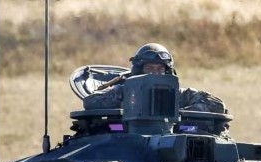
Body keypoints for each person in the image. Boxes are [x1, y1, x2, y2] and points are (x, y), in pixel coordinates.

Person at [83, 43, 229, 114]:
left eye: (160, 69)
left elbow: (217, 105)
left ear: (168, 72)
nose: (155, 74)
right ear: (139, 71)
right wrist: (123, 101)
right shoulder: (124, 92)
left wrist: (177, 112)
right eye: (149, 68)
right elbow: (90, 102)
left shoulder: (180, 95)